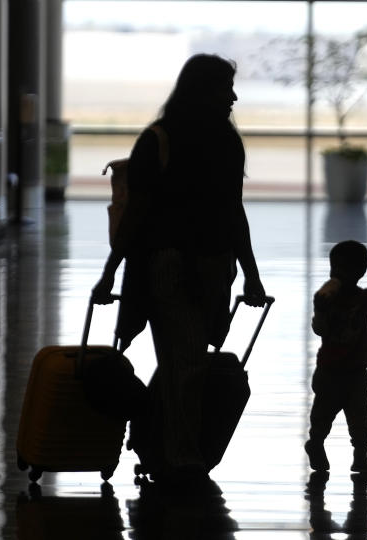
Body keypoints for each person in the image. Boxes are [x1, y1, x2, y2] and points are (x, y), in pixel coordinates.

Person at [92, 54, 267, 484]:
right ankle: (181, 457)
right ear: (202, 90)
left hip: (191, 265)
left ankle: (158, 444)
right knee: (187, 360)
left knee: (180, 358)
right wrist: (110, 270)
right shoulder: (206, 141)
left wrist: (251, 271)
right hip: (181, 265)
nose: (233, 96)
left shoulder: (166, 140)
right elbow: (224, 212)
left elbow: (225, 209)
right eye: (224, 87)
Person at [305, 240, 367, 475]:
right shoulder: (327, 298)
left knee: (360, 418)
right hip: (330, 371)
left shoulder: (364, 297)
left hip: (355, 371)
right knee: (323, 414)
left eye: (347, 269)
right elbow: (319, 328)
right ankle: (316, 444)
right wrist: (320, 310)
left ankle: (360, 456)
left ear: (358, 272)